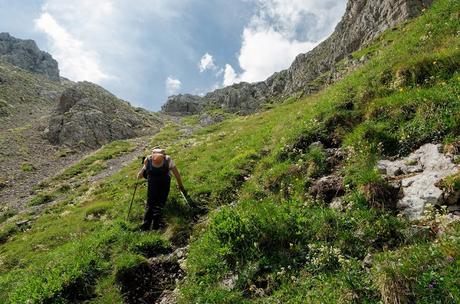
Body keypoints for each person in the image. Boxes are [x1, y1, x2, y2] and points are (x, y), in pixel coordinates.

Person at [137, 147, 185, 230]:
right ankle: (156, 225)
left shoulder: (148, 160)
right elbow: (177, 175)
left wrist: (141, 174)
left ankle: (145, 227)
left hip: (152, 182)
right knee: (160, 202)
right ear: (163, 154)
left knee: (150, 203)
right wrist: (181, 186)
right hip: (165, 182)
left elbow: (140, 175)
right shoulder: (167, 159)